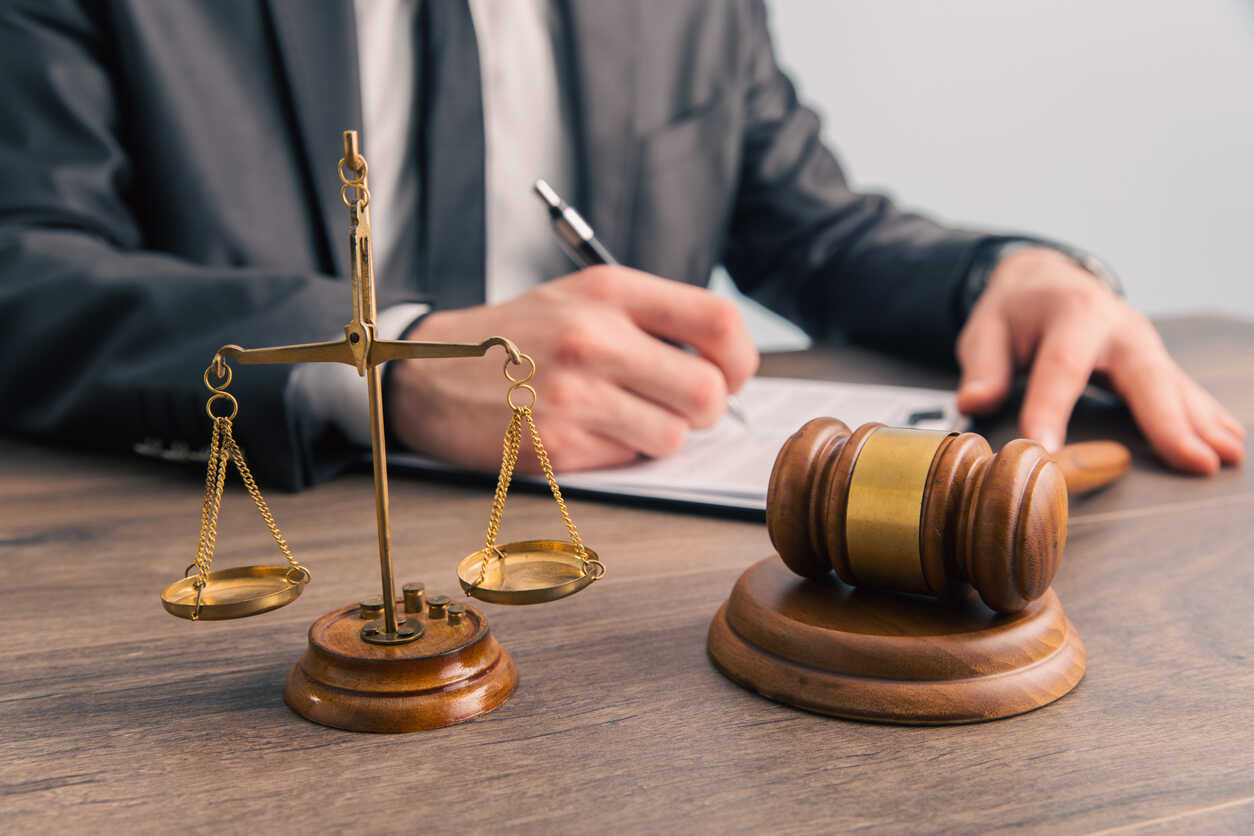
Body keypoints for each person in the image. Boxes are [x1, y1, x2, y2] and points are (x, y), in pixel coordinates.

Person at [0, 0, 1242, 491]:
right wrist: (393, 361)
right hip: (243, 586)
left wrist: (1007, 271)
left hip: (626, 599)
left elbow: (815, 226)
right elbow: (30, 267)